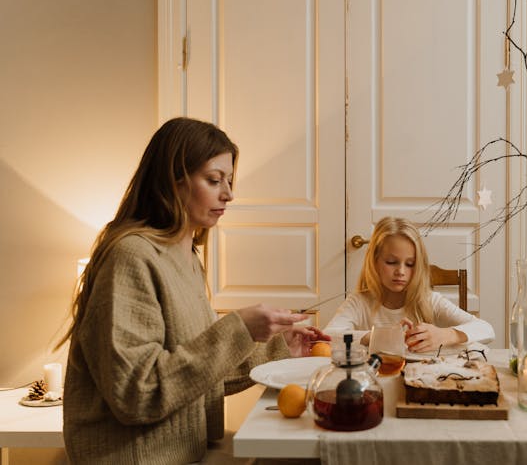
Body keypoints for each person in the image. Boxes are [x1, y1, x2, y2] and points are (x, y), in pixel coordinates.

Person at [58, 117, 328, 464]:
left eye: (229, 181)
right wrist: (239, 328)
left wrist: (278, 349)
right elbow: (138, 393)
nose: (229, 194)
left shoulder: (184, 257)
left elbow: (192, 374)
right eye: (214, 180)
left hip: (184, 453)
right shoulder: (130, 258)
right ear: (174, 180)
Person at [324, 217, 494, 353]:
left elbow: (486, 329)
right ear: (374, 261)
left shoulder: (429, 300)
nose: (401, 271)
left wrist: (444, 335)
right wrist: (379, 337)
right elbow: (327, 337)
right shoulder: (359, 302)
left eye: (410, 264)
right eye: (391, 262)